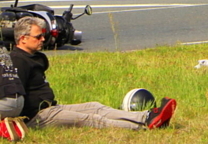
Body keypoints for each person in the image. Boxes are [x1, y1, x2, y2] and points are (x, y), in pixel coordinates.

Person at [10, 16, 176, 130]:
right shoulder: (17, 61)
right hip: (38, 116)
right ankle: (142, 127)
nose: (43, 40)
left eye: (43, 36)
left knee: (94, 107)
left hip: (51, 107)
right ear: (23, 38)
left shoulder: (34, 57)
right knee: (88, 119)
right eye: (38, 37)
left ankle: (148, 116)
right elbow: (13, 97)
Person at [0, 48, 27, 141]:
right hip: (19, 103)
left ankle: (3, 128)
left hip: (3, 103)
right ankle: (13, 125)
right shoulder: (3, 50)